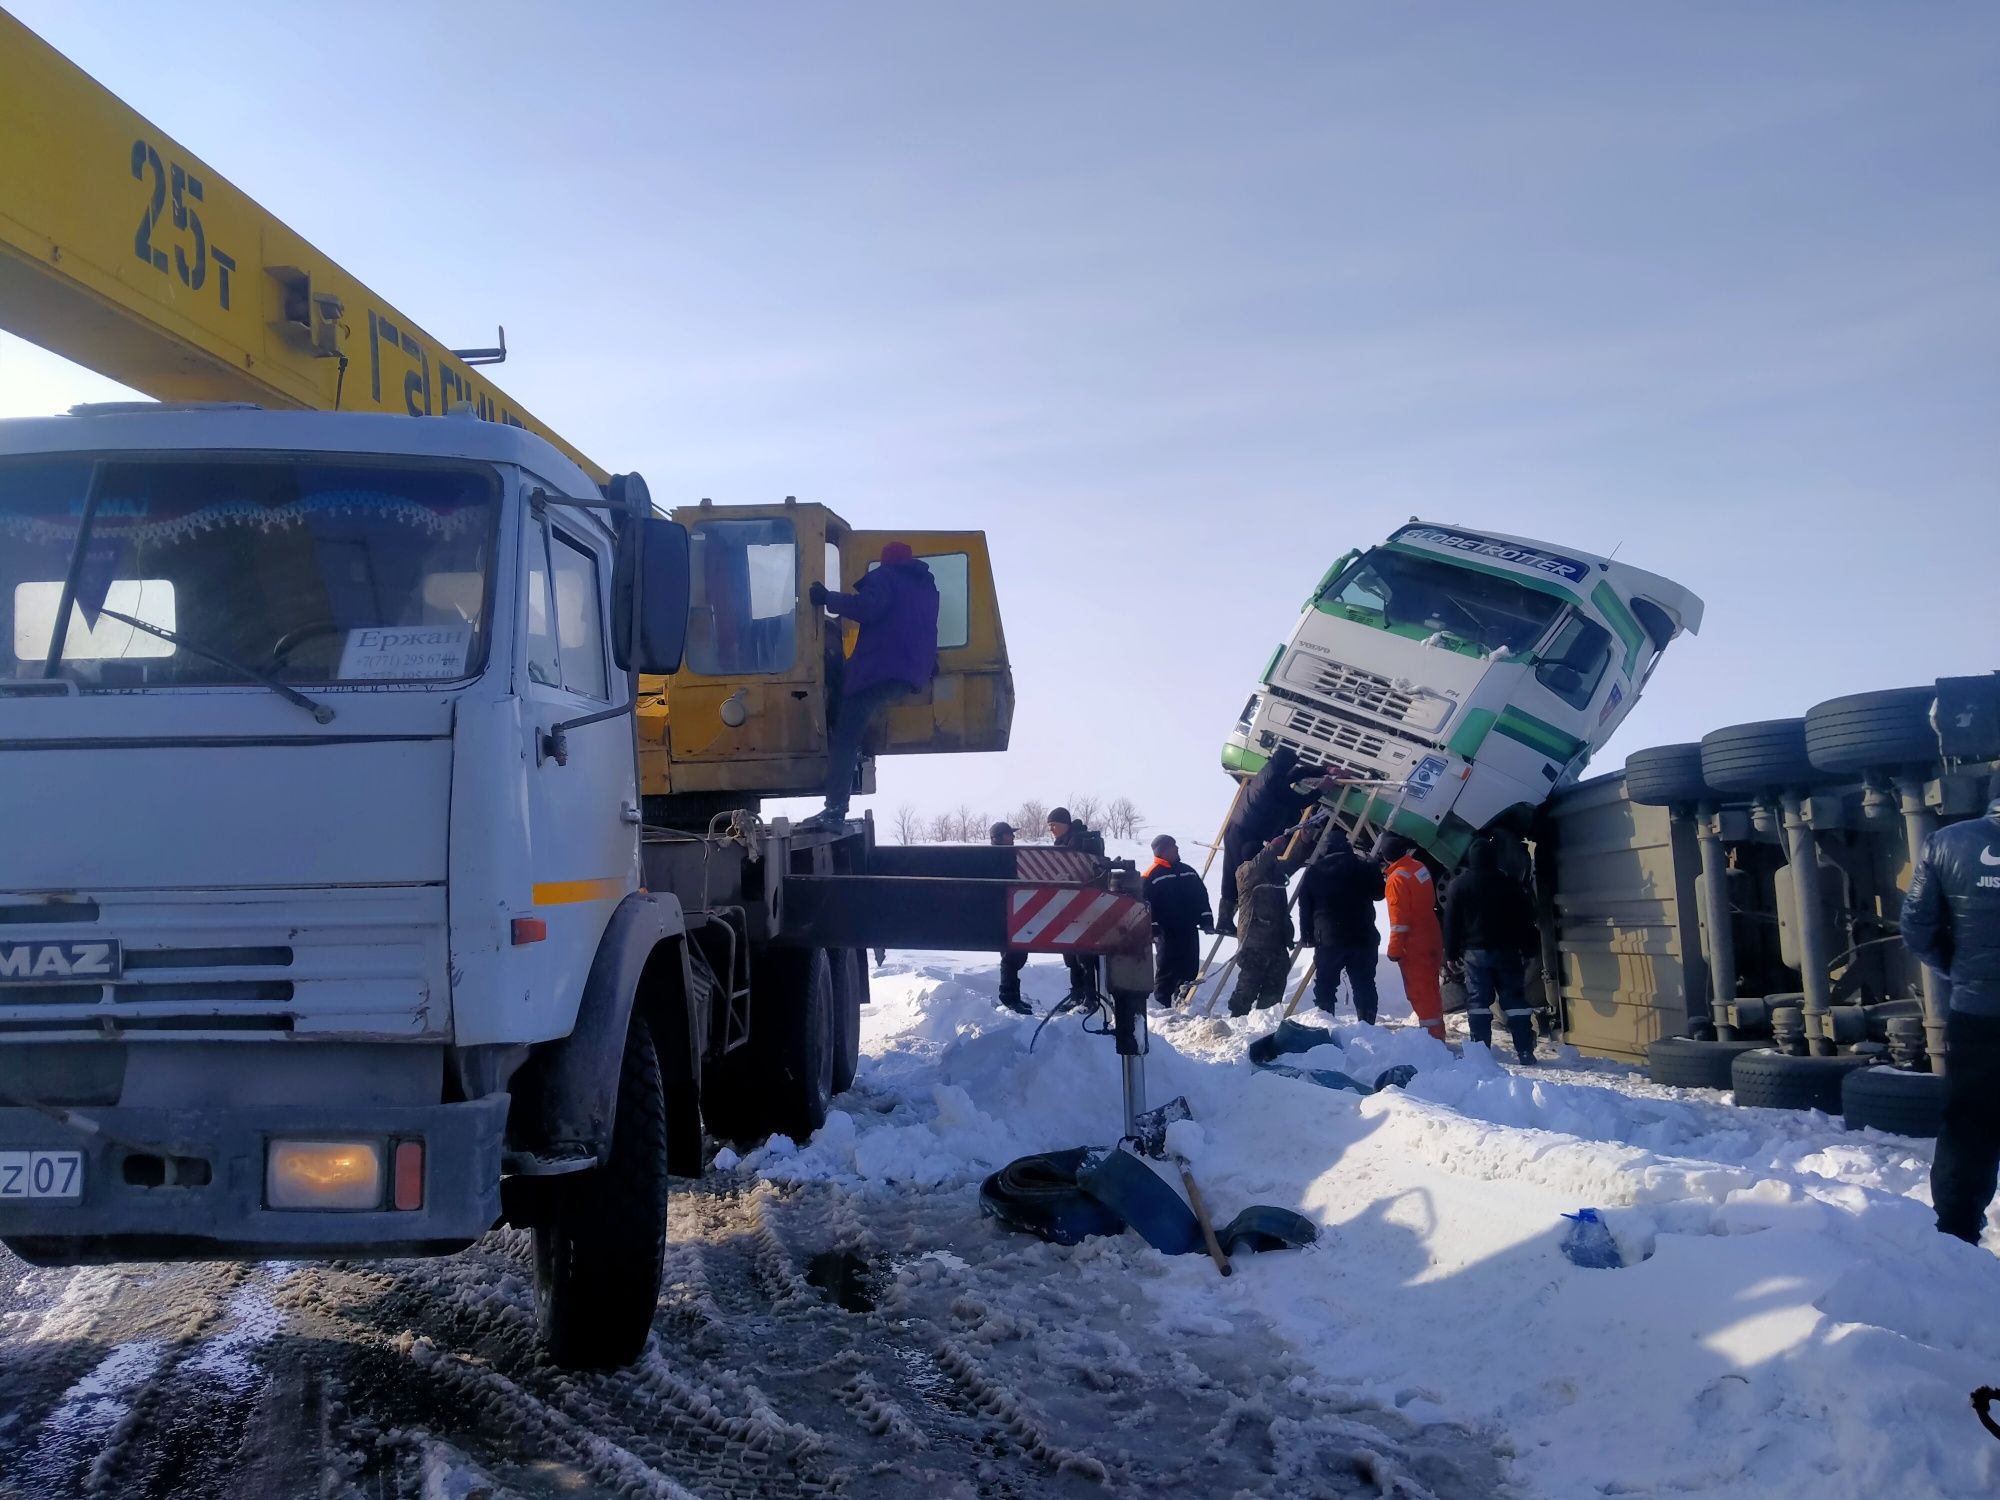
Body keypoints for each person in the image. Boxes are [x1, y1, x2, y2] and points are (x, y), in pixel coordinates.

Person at [1899, 769, 2000, 1245]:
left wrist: (1960, 972)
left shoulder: (1946, 843)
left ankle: (1958, 1236)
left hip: (1977, 1013)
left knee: (1968, 1123)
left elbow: (1917, 928)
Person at [802, 543, 940, 829]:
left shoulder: (885, 577)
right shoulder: (926, 589)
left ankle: (834, 809)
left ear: (885, 561)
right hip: (909, 674)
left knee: (845, 736)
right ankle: (851, 772)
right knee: (854, 720)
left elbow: (868, 608)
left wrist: (827, 598)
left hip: (880, 671)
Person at [1442, 836, 1539, 1063]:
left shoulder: (1459, 885)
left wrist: (1451, 953)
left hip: (1475, 955)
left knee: (1478, 1001)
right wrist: (1529, 947)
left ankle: (1481, 1052)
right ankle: (1524, 1050)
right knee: (1514, 1000)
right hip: (1508, 952)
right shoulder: (1510, 884)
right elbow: (1525, 919)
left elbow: (1451, 922)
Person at [1215, 746, 1314, 938]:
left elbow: (1297, 774)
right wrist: (1322, 790)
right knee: (1239, 875)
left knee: (1233, 873)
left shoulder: (1269, 771)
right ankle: (1225, 920)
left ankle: (1225, 920)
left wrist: (1323, 770)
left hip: (1239, 827)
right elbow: (1299, 802)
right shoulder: (1273, 782)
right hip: (1244, 832)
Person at [1295, 827, 1386, 1023]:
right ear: (1347, 846)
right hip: (1363, 937)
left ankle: (1327, 1023)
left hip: (1329, 939)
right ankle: (1367, 1023)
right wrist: (1374, 868)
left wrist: (1307, 935)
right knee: (1364, 983)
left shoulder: (1314, 871)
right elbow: (1379, 894)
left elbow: (1305, 906)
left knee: (1326, 985)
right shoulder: (1363, 867)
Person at [1226, 829, 1310, 1016]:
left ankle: (1266, 1020)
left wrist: (1303, 842)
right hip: (1253, 942)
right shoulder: (1245, 872)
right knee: (1248, 985)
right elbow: (1257, 865)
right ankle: (1237, 1019)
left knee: (1276, 984)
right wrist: (1272, 847)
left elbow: (1293, 863)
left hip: (1276, 940)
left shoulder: (1274, 873)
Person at [1381, 835, 1446, 1040]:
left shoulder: (1396, 879)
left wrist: (1394, 950)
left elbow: (1399, 921)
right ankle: (1436, 1033)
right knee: (1432, 988)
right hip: (1432, 933)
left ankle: (1433, 1040)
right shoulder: (1419, 867)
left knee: (1420, 993)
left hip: (1414, 944)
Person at [1142, 834, 1214, 1008]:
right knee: (1167, 971)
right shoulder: (1150, 876)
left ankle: (1183, 1005)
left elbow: (1201, 896)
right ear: (1163, 851)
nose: (1177, 849)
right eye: (1173, 846)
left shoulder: (1188, 871)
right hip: (1166, 933)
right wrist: (1152, 928)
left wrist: (1206, 919)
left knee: (1189, 969)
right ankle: (1163, 1008)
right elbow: (1144, 905)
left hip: (1189, 929)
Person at [1047, 807, 1107, 1001]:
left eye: (1054, 825)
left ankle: (1089, 997)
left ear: (1065, 824)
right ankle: (1078, 994)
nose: (1051, 830)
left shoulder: (1081, 842)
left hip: (1084, 906)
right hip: (1066, 906)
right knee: (1071, 956)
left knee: (1084, 957)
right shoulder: (1064, 842)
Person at [990, 821, 1032, 1015]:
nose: (1013, 837)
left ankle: (1012, 997)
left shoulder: (1007, 856)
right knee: (1011, 956)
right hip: (1003, 913)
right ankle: (1009, 997)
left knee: (1016, 955)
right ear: (999, 837)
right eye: (1009, 834)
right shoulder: (997, 858)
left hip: (1011, 911)